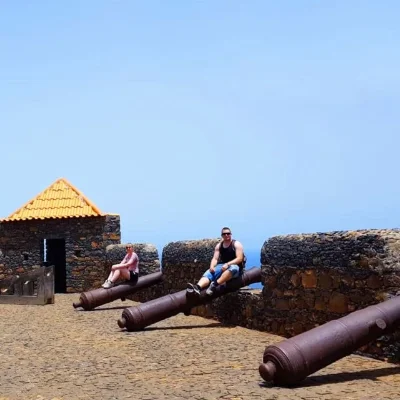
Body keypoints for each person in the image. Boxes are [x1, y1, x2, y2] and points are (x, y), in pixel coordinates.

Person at [186, 227, 245, 297]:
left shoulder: (236, 244)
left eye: (228, 233)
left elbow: (239, 259)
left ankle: (214, 284)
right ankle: (197, 287)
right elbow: (215, 259)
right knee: (210, 272)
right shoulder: (219, 246)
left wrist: (228, 264)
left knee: (233, 268)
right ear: (222, 235)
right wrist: (212, 266)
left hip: (236, 267)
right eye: (224, 234)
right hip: (223, 266)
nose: (226, 235)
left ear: (231, 234)